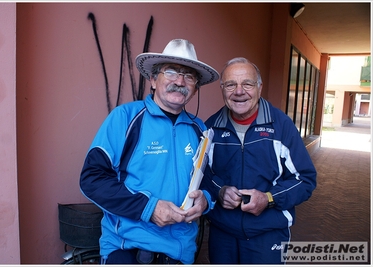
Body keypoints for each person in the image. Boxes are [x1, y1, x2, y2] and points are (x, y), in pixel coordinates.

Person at [79, 39, 219, 264]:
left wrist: (206, 200)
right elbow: (92, 180)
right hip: (128, 249)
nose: (180, 81)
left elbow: (210, 179)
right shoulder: (125, 118)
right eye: (171, 71)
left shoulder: (199, 129)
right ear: (153, 80)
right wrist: (149, 208)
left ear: (195, 89)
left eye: (189, 76)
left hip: (180, 254)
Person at [200, 57, 317, 264]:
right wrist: (220, 190)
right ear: (222, 89)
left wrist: (269, 198)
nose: (238, 91)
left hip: (268, 234)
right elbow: (201, 176)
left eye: (247, 83)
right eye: (230, 84)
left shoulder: (281, 126)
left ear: (259, 87)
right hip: (222, 234)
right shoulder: (211, 128)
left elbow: (304, 180)